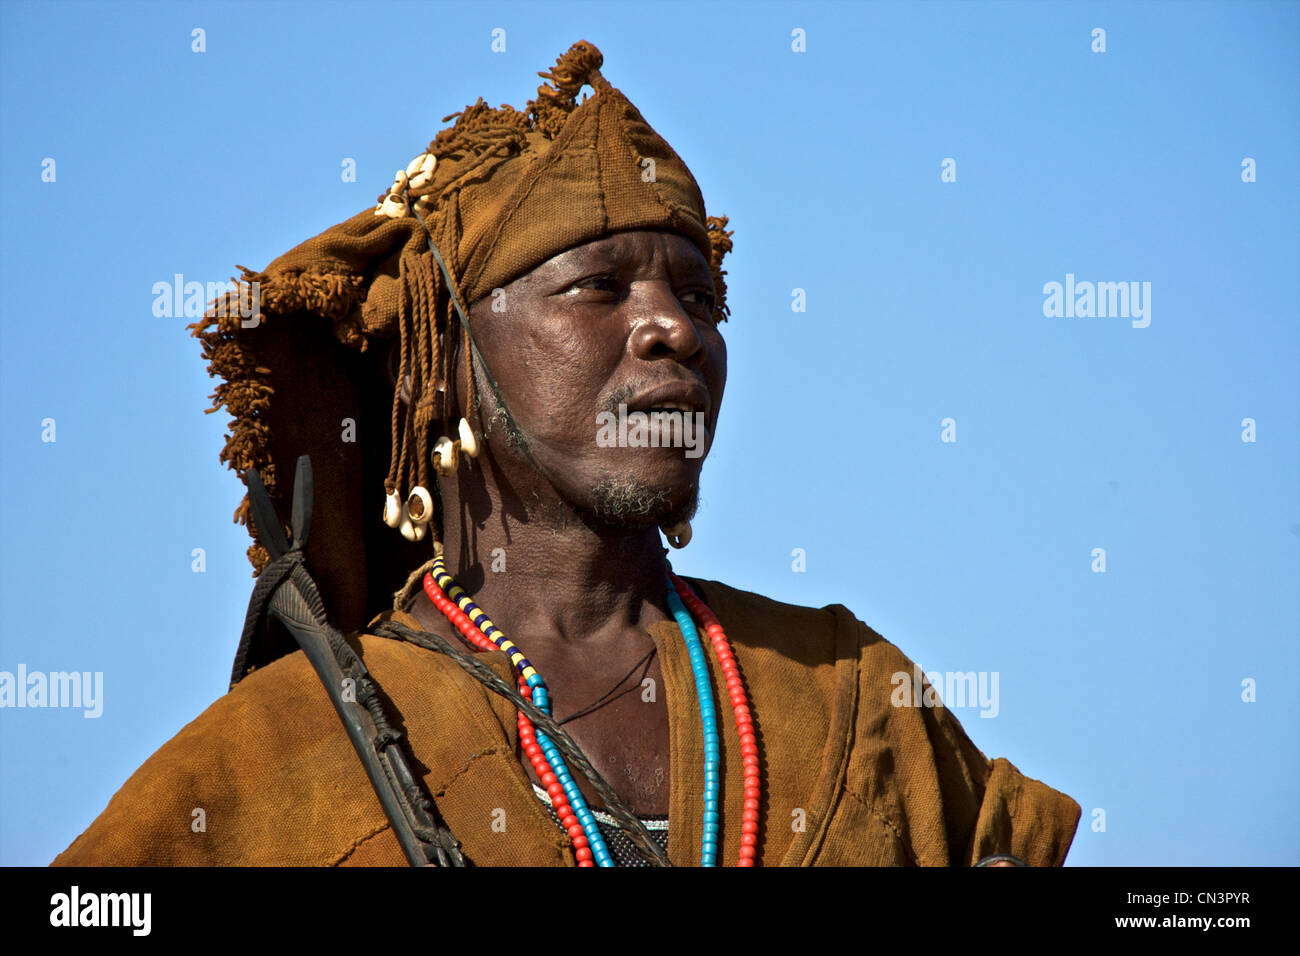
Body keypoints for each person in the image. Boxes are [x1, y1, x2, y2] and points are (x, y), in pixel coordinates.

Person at [52, 41, 1080, 867]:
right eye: (598, 288)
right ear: (444, 364)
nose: (672, 328)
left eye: (700, 297)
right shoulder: (266, 763)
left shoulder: (849, 691)